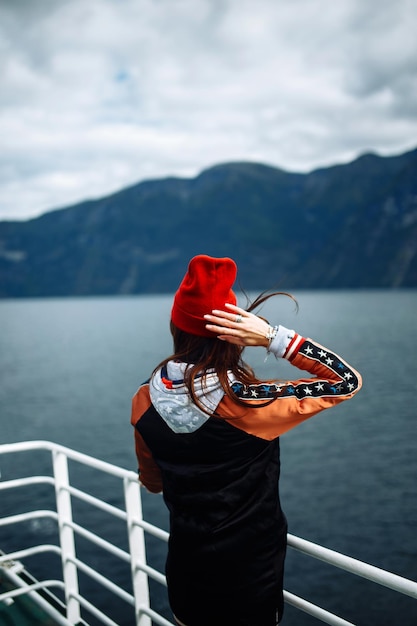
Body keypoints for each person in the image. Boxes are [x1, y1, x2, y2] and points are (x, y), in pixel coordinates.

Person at [131, 254, 362, 626]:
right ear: (235, 335)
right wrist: (273, 337)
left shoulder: (144, 399)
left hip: (186, 575)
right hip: (248, 583)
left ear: (176, 327)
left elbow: (152, 481)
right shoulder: (248, 404)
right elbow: (345, 382)